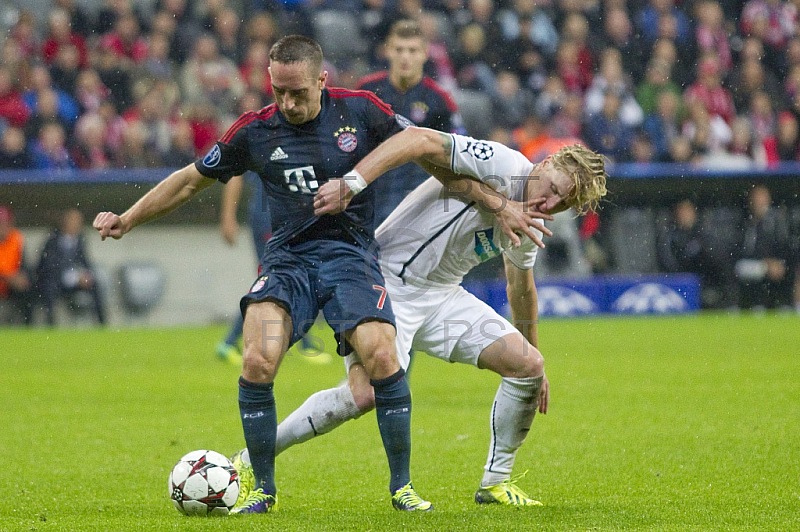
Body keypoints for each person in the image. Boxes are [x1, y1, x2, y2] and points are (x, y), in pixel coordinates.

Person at [93, 35, 437, 514]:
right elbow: (192, 179)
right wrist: (128, 217)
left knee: (381, 355)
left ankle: (402, 488)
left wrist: (493, 197)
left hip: (351, 258)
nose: (287, 102)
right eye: (278, 91)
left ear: (322, 80)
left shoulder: (360, 111)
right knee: (256, 360)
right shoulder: (255, 130)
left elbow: (426, 144)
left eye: (298, 92)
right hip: (288, 264)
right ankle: (264, 491)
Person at [233, 128, 607, 506]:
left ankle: (495, 483)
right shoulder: (502, 164)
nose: (550, 202)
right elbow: (416, 140)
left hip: (443, 296)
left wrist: (534, 356)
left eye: (563, 202)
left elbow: (521, 287)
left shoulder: (533, 222)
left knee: (528, 365)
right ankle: (251, 458)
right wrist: (353, 182)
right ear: (543, 164)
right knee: (362, 396)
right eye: (553, 187)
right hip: (388, 280)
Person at [356, 19, 465, 226]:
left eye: (412, 50)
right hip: (371, 197)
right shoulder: (366, 91)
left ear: (425, 53)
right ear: (387, 50)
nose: (405, 56)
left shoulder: (440, 99)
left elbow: (456, 152)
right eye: (399, 49)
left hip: (416, 200)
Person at [216, 172, 333, 365]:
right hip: (268, 216)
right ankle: (230, 341)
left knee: (290, 276)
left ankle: (305, 343)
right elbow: (235, 174)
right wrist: (228, 216)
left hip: (290, 216)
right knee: (273, 278)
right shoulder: (262, 143)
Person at [37, 208, 106, 326]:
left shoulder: (80, 240)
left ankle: (102, 324)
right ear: (65, 222)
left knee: (95, 285)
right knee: (49, 289)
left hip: (75, 281)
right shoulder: (52, 240)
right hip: (56, 280)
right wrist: (72, 277)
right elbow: (47, 265)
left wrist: (86, 275)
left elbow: (85, 262)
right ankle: (51, 325)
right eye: (73, 221)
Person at [735, 185, 792, 309]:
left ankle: (785, 303)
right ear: (750, 201)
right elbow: (739, 256)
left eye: (763, 199)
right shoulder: (744, 225)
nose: (760, 203)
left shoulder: (778, 223)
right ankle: (755, 304)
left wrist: (778, 263)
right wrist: (765, 264)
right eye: (757, 199)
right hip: (753, 271)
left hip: (778, 273)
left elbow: (786, 249)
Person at [0, 205, 33, 325]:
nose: (1, 227)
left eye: (4, 223)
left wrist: (21, 277)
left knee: (28, 288)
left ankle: (27, 329)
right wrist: (7, 277)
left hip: (10, 288)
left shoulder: (16, 238)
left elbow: (23, 265)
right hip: (4, 281)